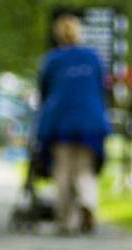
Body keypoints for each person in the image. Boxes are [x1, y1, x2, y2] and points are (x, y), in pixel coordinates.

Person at [37, 14, 111, 234]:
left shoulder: (52, 60)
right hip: (91, 122)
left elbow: (44, 92)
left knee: (63, 173)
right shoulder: (93, 58)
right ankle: (87, 203)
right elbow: (103, 88)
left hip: (60, 123)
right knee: (85, 170)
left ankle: (66, 221)